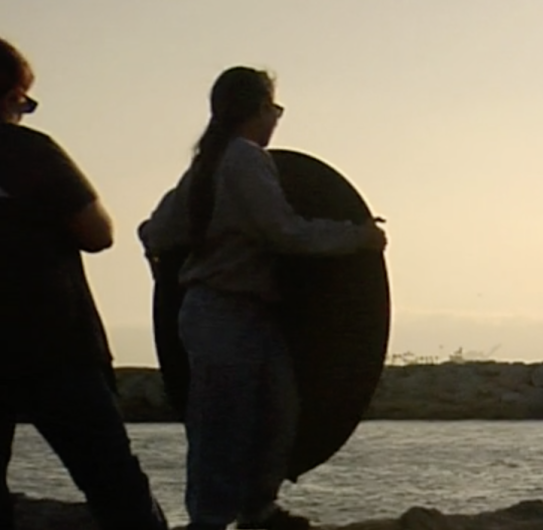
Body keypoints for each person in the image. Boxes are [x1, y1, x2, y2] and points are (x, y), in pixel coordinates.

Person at [139, 66, 385, 530]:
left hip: (236, 312)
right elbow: (284, 232)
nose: (276, 119)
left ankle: (257, 510)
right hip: (224, 311)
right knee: (222, 423)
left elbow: (154, 232)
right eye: (274, 109)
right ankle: (210, 519)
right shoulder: (243, 159)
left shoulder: (207, 165)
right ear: (257, 110)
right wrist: (358, 238)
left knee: (275, 411)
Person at [0, 37, 171, 530]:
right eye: (24, 102)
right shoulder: (29, 151)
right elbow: (98, 234)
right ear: (11, 95)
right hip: (54, 344)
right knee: (115, 484)